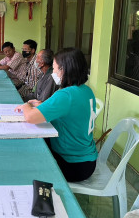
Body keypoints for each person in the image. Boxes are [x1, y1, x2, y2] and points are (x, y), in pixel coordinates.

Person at [15, 48, 98, 182]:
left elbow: (30, 117)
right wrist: (41, 104)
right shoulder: (85, 90)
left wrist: (25, 106)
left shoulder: (66, 95)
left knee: (29, 159)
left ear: (63, 69)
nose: (53, 72)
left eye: (54, 68)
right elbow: (67, 110)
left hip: (72, 164)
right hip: (86, 160)